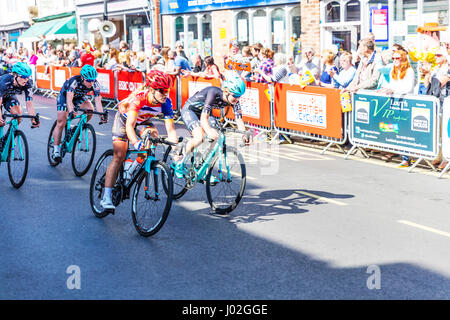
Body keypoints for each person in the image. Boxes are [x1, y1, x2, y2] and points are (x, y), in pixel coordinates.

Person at [100, 70, 179, 210]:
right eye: (161, 90)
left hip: (143, 121)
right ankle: (106, 197)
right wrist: (136, 143)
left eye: (167, 90)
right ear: (151, 89)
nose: (165, 94)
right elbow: (130, 126)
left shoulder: (166, 102)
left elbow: (171, 129)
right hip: (124, 121)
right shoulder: (139, 98)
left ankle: (130, 170)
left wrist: (175, 149)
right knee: (119, 156)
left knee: (153, 137)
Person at [179, 72, 251, 171]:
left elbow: (239, 119)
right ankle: (181, 163)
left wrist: (244, 133)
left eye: (240, 96)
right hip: (190, 109)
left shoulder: (235, 100)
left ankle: (204, 166)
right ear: (226, 91)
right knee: (200, 137)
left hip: (205, 112)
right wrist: (208, 131)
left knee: (217, 136)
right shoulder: (214, 92)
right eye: (235, 95)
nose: (237, 98)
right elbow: (204, 118)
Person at [51, 65, 107, 162]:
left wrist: (101, 115)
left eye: (93, 80)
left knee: (90, 109)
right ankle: (56, 150)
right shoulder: (74, 82)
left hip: (79, 97)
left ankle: (76, 129)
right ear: (82, 77)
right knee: (61, 121)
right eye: (88, 80)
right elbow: (69, 100)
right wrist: (72, 110)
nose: (91, 82)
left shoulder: (95, 84)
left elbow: (98, 101)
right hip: (65, 96)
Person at [0, 62, 39, 128]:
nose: (26, 80)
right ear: (15, 75)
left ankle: (9, 136)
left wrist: (33, 118)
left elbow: (29, 103)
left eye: (28, 77)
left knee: (18, 116)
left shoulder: (27, 84)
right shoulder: (5, 81)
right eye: (23, 77)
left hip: (8, 96)